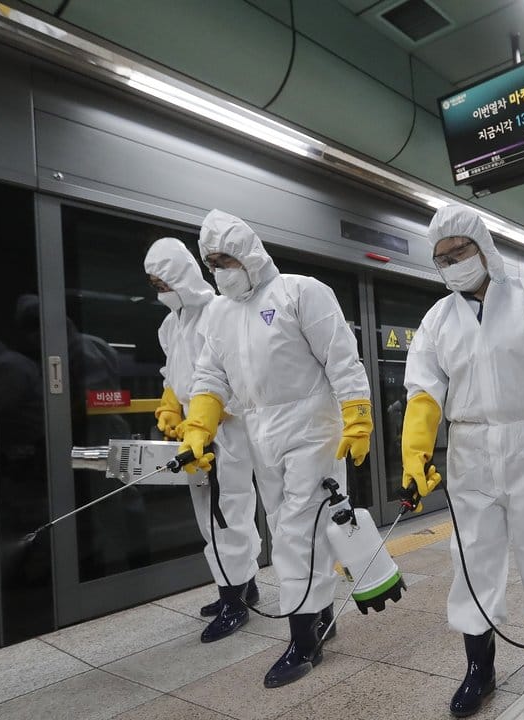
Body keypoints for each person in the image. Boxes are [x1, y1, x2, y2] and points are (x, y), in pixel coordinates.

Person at [400, 205, 524, 718]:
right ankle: (478, 670)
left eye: (459, 252)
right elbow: (423, 392)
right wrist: (416, 454)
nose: (452, 264)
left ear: (484, 248)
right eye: (442, 259)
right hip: (470, 449)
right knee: (472, 559)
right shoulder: (438, 320)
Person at [177, 210, 374, 689]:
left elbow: (341, 358)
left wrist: (358, 415)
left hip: (312, 426)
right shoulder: (219, 315)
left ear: (248, 253)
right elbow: (210, 376)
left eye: (226, 258)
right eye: (211, 263)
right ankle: (323, 613)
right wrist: (199, 426)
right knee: (296, 525)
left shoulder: (300, 292)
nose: (219, 269)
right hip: (260, 428)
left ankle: (303, 638)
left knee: (295, 531)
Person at [144, 237, 261, 644]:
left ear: (182, 276)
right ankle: (239, 585)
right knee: (207, 516)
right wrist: (170, 407)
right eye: (156, 286)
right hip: (194, 435)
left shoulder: (218, 314)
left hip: (225, 431)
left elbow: (232, 377)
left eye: (165, 283)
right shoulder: (170, 324)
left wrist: (204, 419)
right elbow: (173, 374)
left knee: (227, 513)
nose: (161, 293)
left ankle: (236, 601)